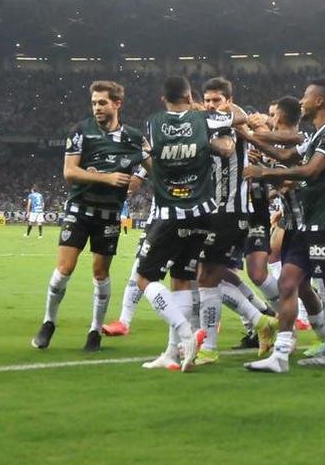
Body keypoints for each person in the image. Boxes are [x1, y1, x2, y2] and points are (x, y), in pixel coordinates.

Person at [242, 78, 325, 377]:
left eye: (305, 96)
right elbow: (288, 156)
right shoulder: (318, 134)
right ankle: (280, 355)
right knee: (288, 284)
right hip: (305, 224)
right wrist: (249, 138)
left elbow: (311, 170)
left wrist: (263, 172)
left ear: (318, 101)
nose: (301, 101)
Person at [32, 80, 147, 353]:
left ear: (117, 104)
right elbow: (70, 172)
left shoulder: (133, 137)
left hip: (108, 215)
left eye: (102, 102)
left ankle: (94, 330)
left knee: (100, 272)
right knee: (64, 270)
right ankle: (48, 322)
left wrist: (139, 177)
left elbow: (152, 163)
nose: (97, 107)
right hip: (79, 209)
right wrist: (108, 178)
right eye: (94, 102)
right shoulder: (81, 130)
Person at [135, 75, 237, 372]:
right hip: (204, 212)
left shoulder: (153, 124)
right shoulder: (205, 120)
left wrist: (161, 174)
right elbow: (229, 146)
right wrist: (210, 145)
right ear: (190, 95)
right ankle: (172, 353)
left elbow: (148, 161)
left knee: (144, 278)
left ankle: (186, 335)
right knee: (180, 278)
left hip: (171, 213)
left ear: (162, 98)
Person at [195, 77, 275, 365]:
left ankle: (212, 346)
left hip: (231, 210)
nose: (210, 105)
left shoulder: (231, 123)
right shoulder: (214, 119)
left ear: (228, 101)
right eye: (207, 100)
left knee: (206, 277)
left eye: (216, 100)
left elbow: (228, 147)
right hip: (219, 209)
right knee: (211, 275)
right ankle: (260, 320)